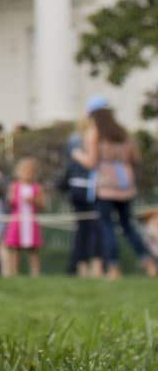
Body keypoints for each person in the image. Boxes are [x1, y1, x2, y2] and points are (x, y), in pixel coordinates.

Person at [74, 95, 157, 279]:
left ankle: (113, 268)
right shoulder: (123, 132)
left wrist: (78, 155)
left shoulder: (95, 133)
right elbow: (136, 158)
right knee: (128, 226)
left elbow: (92, 162)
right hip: (125, 184)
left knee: (107, 227)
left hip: (104, 186)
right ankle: (148, 263)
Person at [60, 121, 101, 277]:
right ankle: (88, 268)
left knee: (86, 230)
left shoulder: (75, 139)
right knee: (91, 230)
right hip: (89, 189)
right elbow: (90, 163)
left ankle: (83, 268)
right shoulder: (80, 140)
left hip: (83, 188)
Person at [1, 157, 44, 277]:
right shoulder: (14, 187)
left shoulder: (37, 188)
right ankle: (13, 273)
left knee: (33, 249)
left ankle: (35, 273)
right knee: (15, 248)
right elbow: (10, 202)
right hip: (17, 221)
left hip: (31, 221)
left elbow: (42, 204)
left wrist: (33, 200)